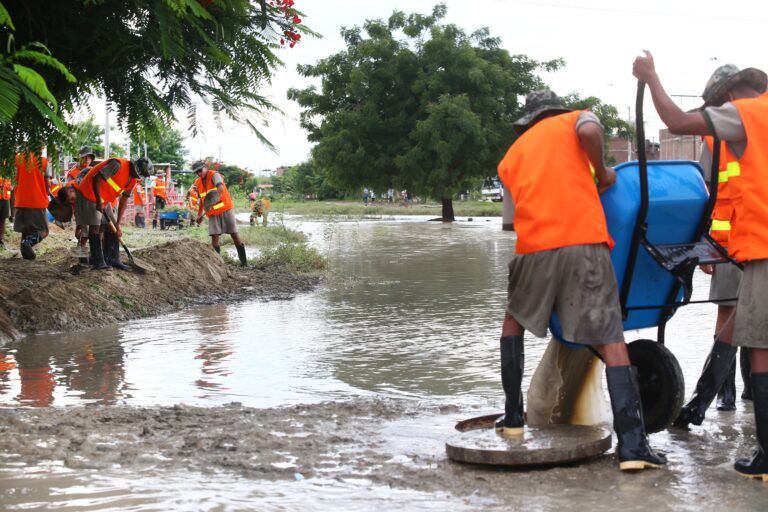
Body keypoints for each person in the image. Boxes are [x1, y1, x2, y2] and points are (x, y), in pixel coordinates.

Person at [495, 89, 666, 471]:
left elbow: (516, 212)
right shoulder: (576, 118)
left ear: (529, 121)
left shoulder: (511, 157)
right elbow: (590, 132)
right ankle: (633, 447)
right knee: (609, 336)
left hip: (532, 248)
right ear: (556, 110)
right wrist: (603, 172)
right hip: (582, 242)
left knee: (513, 321)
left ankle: (512, 419)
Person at [633, 51, 768, 481]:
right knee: (743, 325)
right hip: (741, 245)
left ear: (727, 96)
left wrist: (652, 76)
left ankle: (765, 456)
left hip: (759, 245)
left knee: (759, 347)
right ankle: (708, 403)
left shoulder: (742, 114)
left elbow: (675, 121)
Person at [699, 133, 751, 410]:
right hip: (728, 242)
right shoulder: (713, 140)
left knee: (757, 313)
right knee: (729, 310)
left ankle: (751, 390)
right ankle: (725, 391)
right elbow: (703, 195)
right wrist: (702, 246)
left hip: (758, 239)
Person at [75, 156, 152, 270]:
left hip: (105, 199)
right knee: (95, 226)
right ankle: (98, 262)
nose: (136, 176)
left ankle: (113, 259)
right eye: (137, 173)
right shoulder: (117, 164)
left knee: (112, 228)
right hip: (89, 192)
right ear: (134, 166)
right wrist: (97, 200)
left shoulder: (133, 180)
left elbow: (124, 200)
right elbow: (96, 178)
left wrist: (118, 224)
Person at [192, 160, 247, 266]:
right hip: (212, 212)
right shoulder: (198, 182)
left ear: (205, 167)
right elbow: (202, 200)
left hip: (225, 208)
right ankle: (217, 264)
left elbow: (221, 188)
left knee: (234, 234)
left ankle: (244, 263)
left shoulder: (214, 175)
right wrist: (199, 215)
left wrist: (213, 199)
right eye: (197, 172)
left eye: (200, 170)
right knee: (214, 236)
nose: (199, 173)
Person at [13, 152, 51, 260]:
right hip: (37, 201)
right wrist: (48, 194)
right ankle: (28, 242)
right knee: (44, 231)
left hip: (20, 199)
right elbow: (47, 184)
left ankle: (26, 255)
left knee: (26, 230)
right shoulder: (43, 161)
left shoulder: (17, 159)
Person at [0, 176, 12, 250]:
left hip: (5, 197)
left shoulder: (7, 164)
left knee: (3, 220)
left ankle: (1, 241)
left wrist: (12, 185)